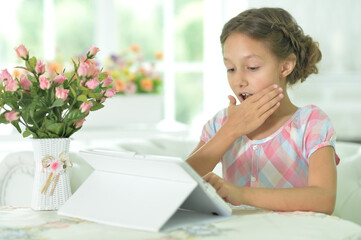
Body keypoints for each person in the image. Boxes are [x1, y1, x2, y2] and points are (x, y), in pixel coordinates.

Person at [186, 7, 339, 214]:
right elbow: (180, 185)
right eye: (231, 68)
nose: (238, 80)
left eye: (252, 67)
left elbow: (323, 200)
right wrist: (231, 130)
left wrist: (240, 194)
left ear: (285, 67)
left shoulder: (311, 123)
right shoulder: (220, 124)